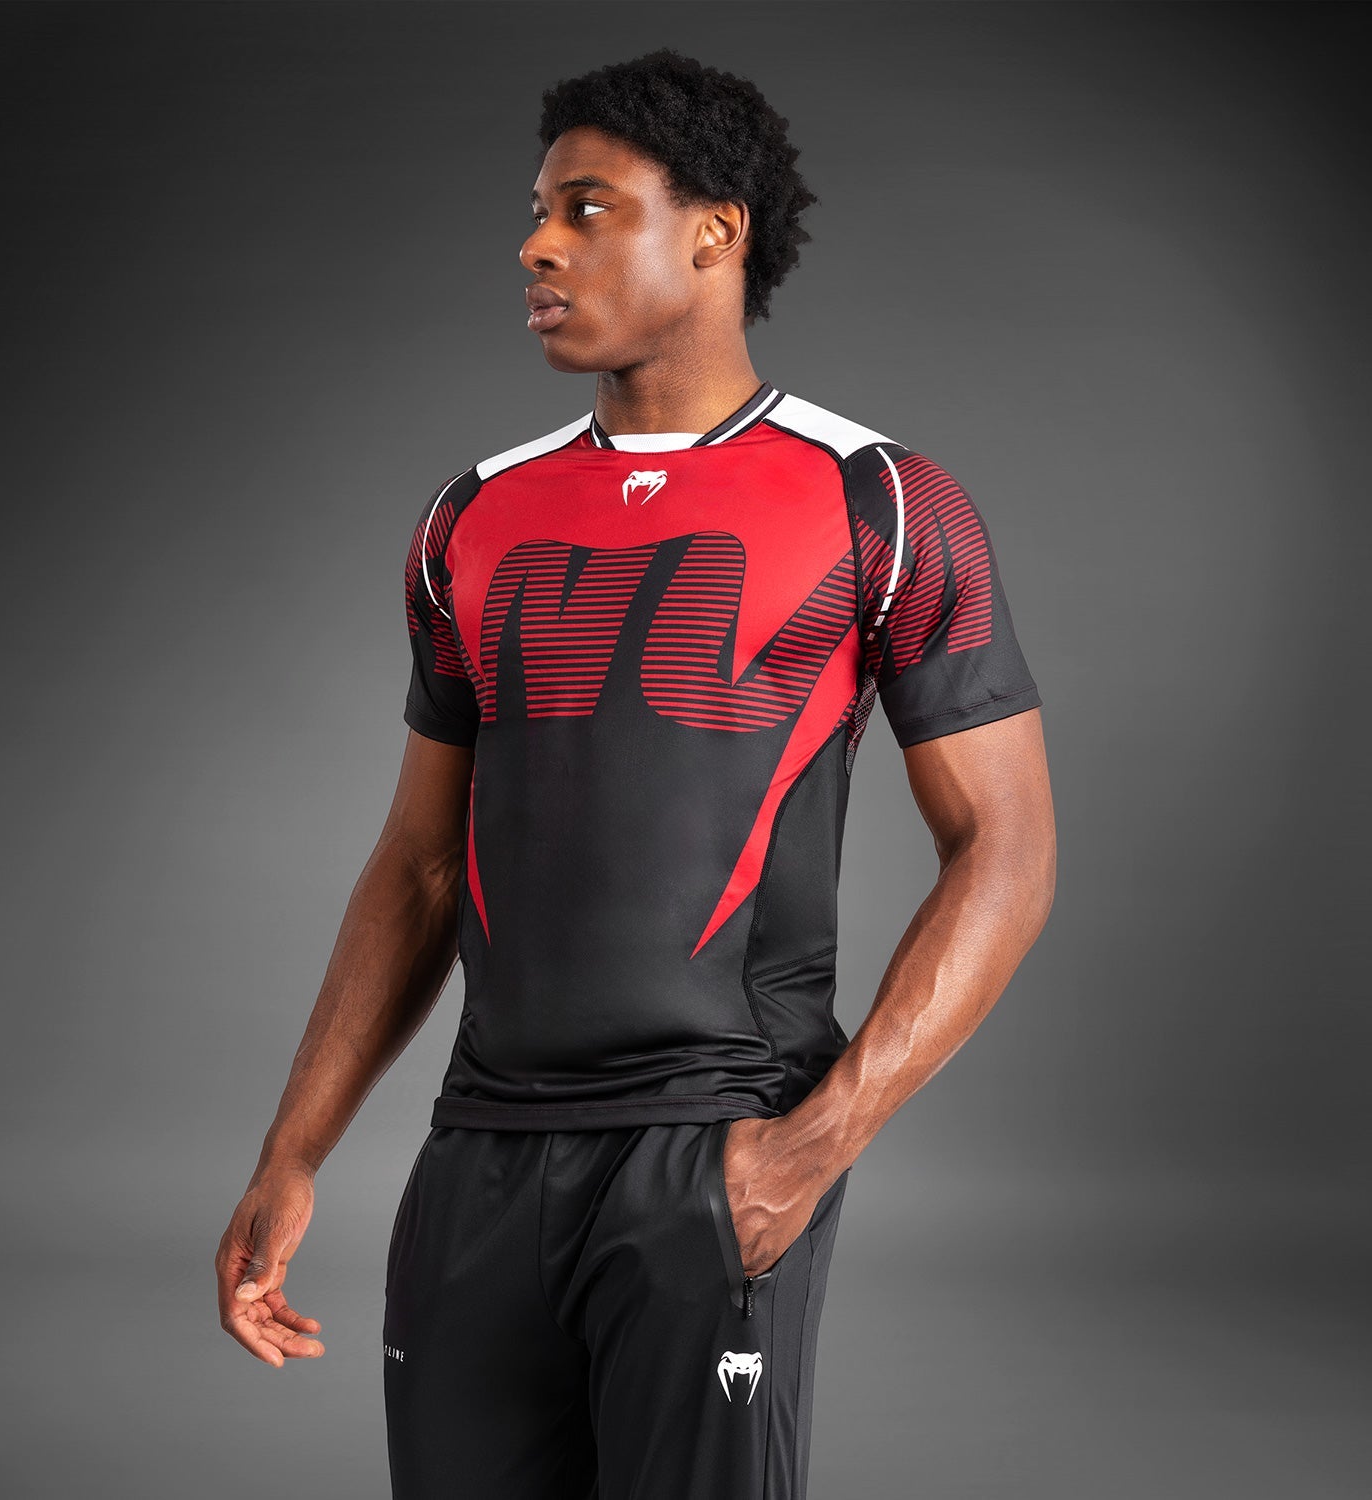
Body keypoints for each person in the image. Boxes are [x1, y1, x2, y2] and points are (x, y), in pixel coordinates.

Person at [215, 46, 1056, 1500]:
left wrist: (807, 1153)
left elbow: (1009, 851)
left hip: (714, 1149)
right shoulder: (474, 513)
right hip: (477, 1158)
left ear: (716, 232)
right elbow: (420, 862)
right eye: (537, 214)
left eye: (587, 209)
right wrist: (293, 1153)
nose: (537, 246)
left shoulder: (880, 499)